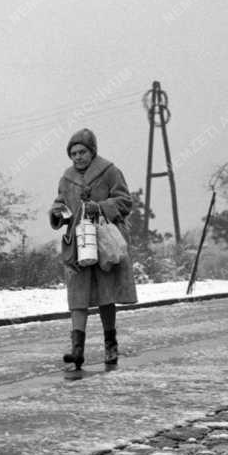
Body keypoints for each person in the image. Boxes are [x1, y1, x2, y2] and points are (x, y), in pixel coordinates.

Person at [48, 128, 138, 369]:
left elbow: (125, 201)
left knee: (105, 295)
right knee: (77, 296)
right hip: (77, 244)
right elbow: (61, 204)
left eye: (82, 152)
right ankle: (77, 350)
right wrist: (57, 213)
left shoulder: (109, 171)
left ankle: (110, 344)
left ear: (92, 151)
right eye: (73, 153)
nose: (77, 157)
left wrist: (100, 207)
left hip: (104, 241)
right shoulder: (66, 178)